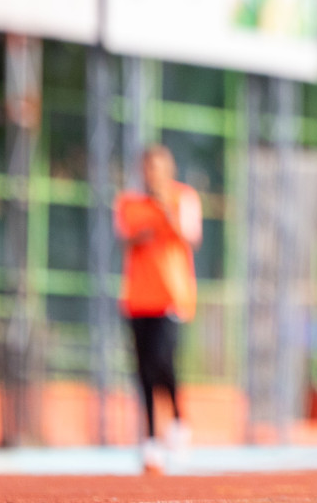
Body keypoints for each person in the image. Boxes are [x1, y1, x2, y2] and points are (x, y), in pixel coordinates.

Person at [115, 145, 202, 473]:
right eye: (148, 168)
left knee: (164, 361)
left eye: (159, 168)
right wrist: (148, 228)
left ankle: (179, 421)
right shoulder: (129, 203)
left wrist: (167, 214)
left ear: (170, 170)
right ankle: (150, 440)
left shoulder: (184, 198)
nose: (153, 174)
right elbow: (126, 237)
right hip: (137, 298)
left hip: (172, 297)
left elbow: (190, 237)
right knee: (144, 371)